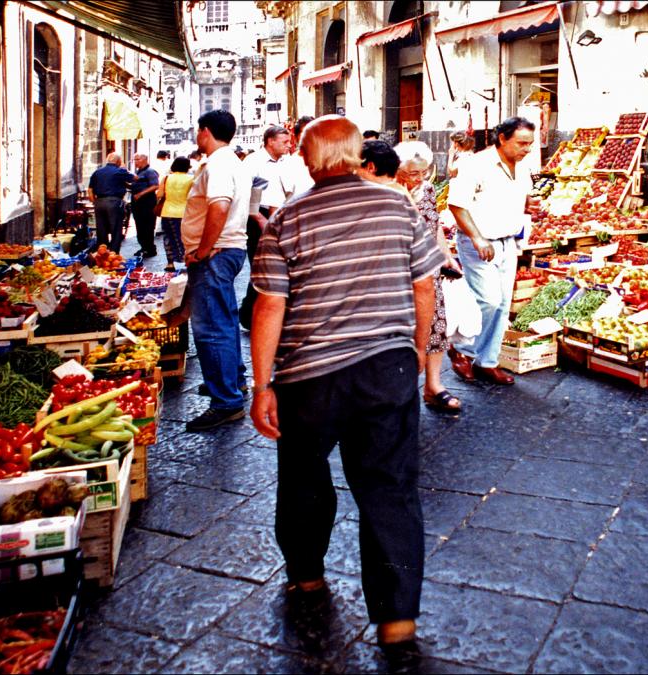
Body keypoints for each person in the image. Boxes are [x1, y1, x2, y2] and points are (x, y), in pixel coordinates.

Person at [250, 115, 443, 659]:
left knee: (304, 477)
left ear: (307, 160)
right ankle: (396, 622)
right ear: (359, 156)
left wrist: (262, 385)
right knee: (389, 487)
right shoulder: (399, 205)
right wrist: (415, 346)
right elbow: (424, 283)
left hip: (308, 377)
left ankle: (307, 576)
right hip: (386, 368)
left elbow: (269, 306)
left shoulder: (287, 219)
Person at [446, 117, 538, 386]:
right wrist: (476, 238)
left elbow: (521, 198)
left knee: (501, 305)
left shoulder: (522, 168)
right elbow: (457, 205)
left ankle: (487, 362)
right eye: (521, 143)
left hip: (509, 242)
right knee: (487, 299)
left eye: (530, 144)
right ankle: (461, 350)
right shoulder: (475, 164)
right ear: (502, 138)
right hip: (480, 243)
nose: (527, 149)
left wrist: (528, 205)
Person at [182, 109, 251, 432]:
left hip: (216, 254)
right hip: (227, 251)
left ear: (205, 131)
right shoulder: (233, 161)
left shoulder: (221, 163)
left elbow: (219, 206)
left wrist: (204, 249)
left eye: (198, 132)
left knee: (211, 327)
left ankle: (226, 400)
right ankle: (231, 381)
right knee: (224, 319)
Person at [395, 141, 464, 414]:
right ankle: (403, 387)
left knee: (435, 322)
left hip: (428, 265)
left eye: (423, 172)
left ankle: (433, 386)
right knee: (405, 327)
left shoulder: (427, 188)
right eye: (413, 173)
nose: (419, 178)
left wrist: (447, 256)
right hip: (399, 267)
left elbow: (434, 227)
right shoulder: (389, 189)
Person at [238, 125, 294, 330]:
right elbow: (247, 195)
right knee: (262, 268)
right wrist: (261, 220)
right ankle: (248, 315)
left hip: (279, 216)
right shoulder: (254, 162)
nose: (289, 145)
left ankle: (257, 315)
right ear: (270, 141)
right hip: (259, 219)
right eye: (284, 141)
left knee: (277, 268)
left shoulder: (288, 162)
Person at [87, 153, 133, 253]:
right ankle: (113, 253)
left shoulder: (97, 172)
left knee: (101, 229)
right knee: (116, 228)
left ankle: (102, 253)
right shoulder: (120, 171)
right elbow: (135, 178)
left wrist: (94, 202)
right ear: (118, 162)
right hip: (114, 201)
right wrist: (124, 168)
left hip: (99, 202)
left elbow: (90, 190)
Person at [156, 156, 194, 271]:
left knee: (168, 237)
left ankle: (170, 263)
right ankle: (186, 261)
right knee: (185, 238)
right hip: (184, 213)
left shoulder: (167, 178)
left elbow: (159, 195)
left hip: (167, 212)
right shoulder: (191, 179)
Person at [129, 154, 160, 257]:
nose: (135, 161)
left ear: (144, 160)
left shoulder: (150, 172)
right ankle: (144, 247)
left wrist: (141, 194)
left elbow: (155, 185)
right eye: (134, 160)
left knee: (148, 226)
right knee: (140, 226)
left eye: (137, 159)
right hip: (137, 204)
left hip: (147, 203)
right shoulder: (138, 172)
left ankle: (150, 249)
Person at [286, 115, 316, 197]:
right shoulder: (290, 163)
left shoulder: (329, 160)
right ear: (296, 138)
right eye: (305, 133)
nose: (310, 137)